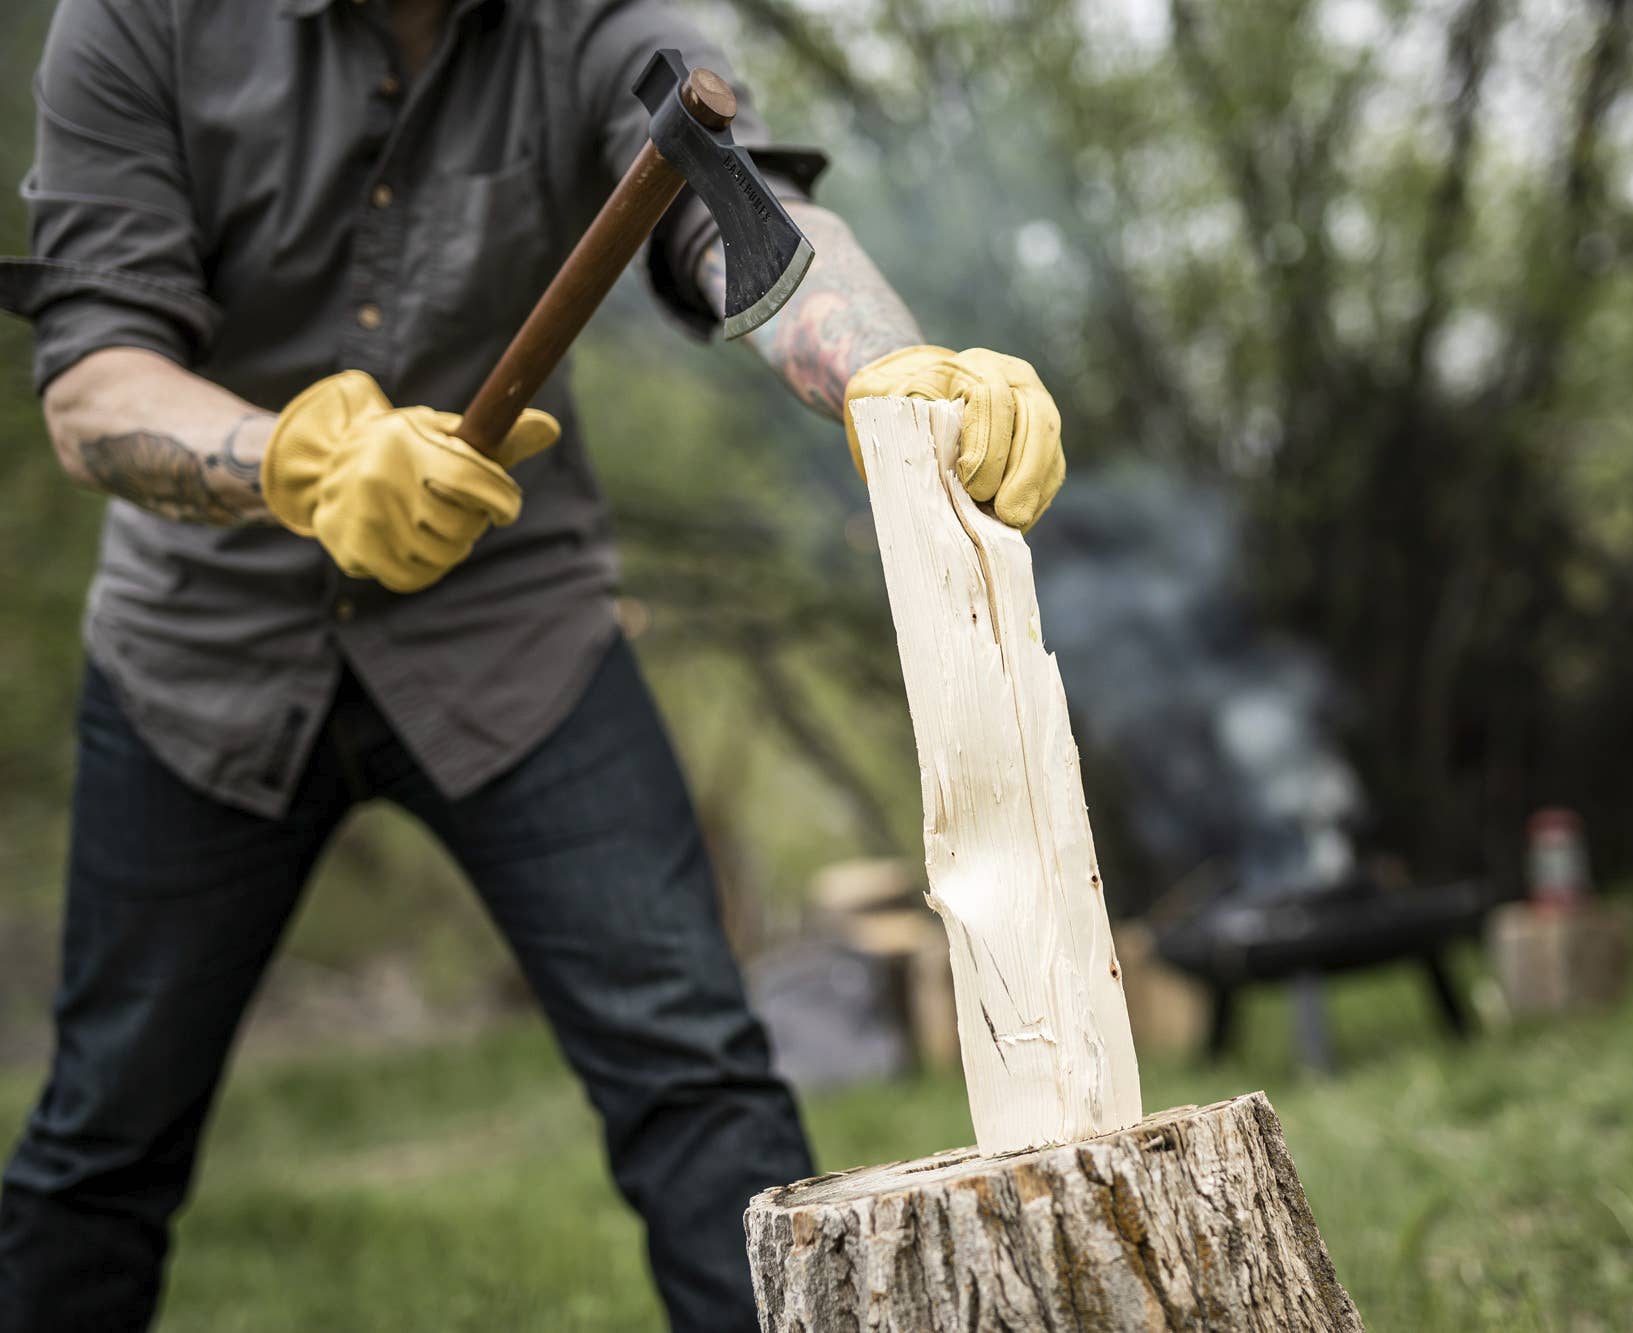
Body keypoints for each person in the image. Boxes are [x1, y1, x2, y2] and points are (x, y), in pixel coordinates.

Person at [0, 0, 1065, 1327]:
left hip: (513, 633)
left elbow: (741, 220)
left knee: (701, 1087)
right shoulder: (134, 24)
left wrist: (892, 374)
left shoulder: (599, 16)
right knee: (103, 1138)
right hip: (197, 657)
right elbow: (93, 383)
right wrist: (304, 463)